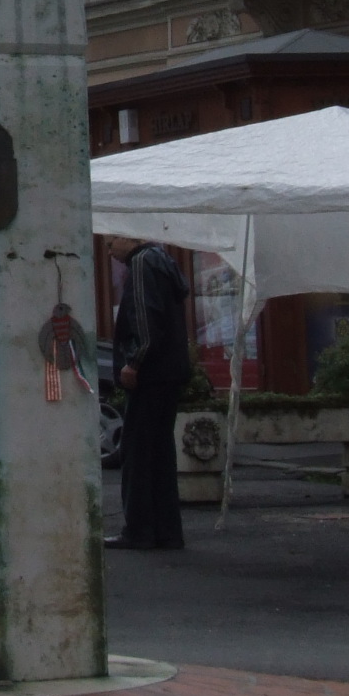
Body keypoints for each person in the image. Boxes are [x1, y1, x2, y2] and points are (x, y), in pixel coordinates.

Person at [107, 233, 190, 552]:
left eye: (111, 242)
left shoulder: (142, 263)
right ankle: (167, 530)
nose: (109, 251)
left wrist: (134, 362)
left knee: (138, 453)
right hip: (170, 371)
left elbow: (145, 317)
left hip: (150, 374)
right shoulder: (164, 262)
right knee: (161, 452)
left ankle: (139, 529)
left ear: (128, 238)